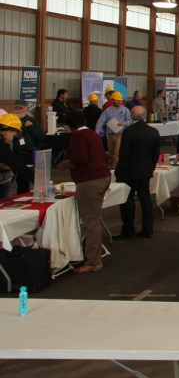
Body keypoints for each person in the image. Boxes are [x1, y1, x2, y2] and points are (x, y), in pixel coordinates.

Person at [56, 110, 110, 273]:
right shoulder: (92, 134)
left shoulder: (77, 136)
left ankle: (93, 261)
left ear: (69, 125)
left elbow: (81, 159)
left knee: (90, 222)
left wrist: (66, 164)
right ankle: (92, 255)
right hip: (102, 177)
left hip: (90, 180)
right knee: (93, 219)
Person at [114, 106, 161, 239]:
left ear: (131, 116)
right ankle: (148, 229)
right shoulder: (153, 131)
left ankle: (128, 230)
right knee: (145, 199)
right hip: (146, 170)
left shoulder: (128, 132)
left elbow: (124, 155)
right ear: (145, 116)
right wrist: (151, 167)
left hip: (130, 171)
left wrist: (119, 172)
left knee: (127, 201)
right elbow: (155, 154)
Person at [95, 91, 131, 167]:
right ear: (112, 100)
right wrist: (97, 130)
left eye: (120, 100)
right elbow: (101, 121)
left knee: (117, 153)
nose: (119, 102)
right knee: (111, 153)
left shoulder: (125, 110)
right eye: (117, 100)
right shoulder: (107, 111)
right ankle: (114, 168)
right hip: (110, 134)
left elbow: (130, 121)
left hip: (121, 134)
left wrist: (124, 123)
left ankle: (115, 170)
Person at [0, 113, 32, 196]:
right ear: (8, 131)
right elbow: (16, 164)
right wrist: (38, 180)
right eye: (14, 135)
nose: (12, 139)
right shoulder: (1, 145)